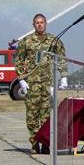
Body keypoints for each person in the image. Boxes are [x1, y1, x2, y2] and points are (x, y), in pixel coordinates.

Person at [15, 14, 67, 154]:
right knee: (32, 116)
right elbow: (19, 59)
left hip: (47, 84)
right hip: (32, 84)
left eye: (41, 22)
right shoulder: (26, 41)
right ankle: (34, 144)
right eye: (37, 23)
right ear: (33, 25)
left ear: (46, 23)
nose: (39, 25)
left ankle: (45, 144)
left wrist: (63, 76)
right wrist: (21, 79)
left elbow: (61, 58)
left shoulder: (54, 41)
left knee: (46, 117)